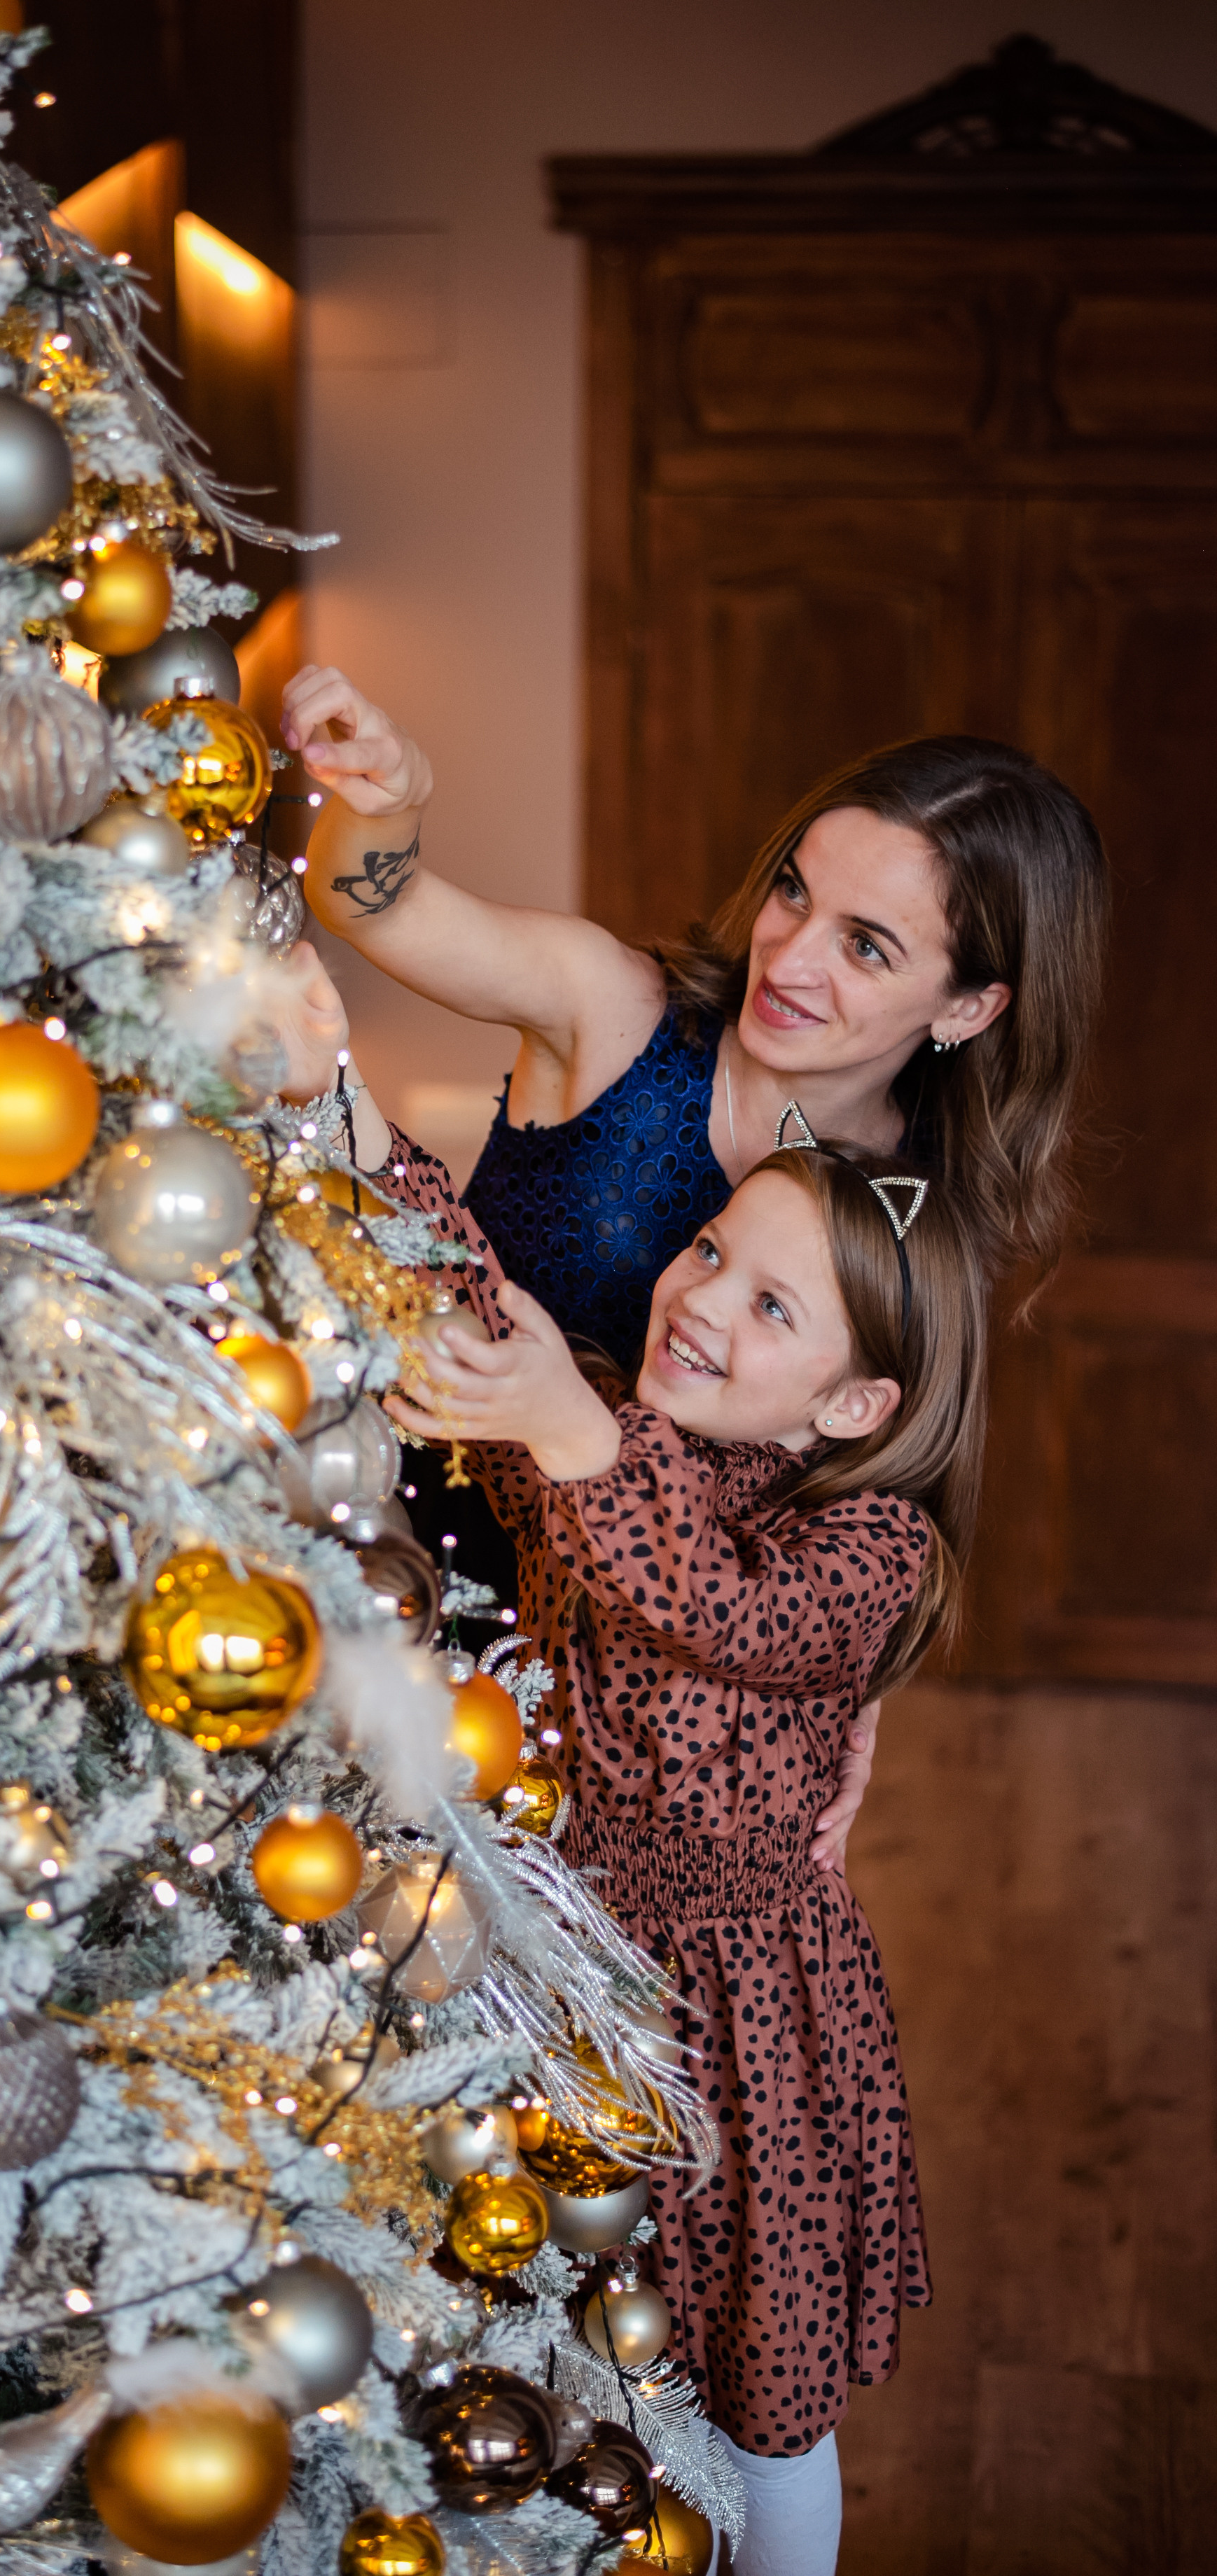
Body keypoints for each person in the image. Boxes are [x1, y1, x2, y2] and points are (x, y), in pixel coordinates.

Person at [279, 666, 1109, 1867]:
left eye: (867, 947)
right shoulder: (611, 1009)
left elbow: (870, 1487)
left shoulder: (912, 1219)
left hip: (608, 1705)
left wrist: (843, 1692)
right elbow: (375, 904)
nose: (792, 957)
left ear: (970, 1008)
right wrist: (388, 802)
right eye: (794, 894)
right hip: (371, 1550)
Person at [375, 1102, 989, 2576]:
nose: (699, 1295)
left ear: (854, 1404)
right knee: (574, 2339)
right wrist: (352, 1118)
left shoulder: (865, 1550)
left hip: (743, 2020)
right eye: (709, 1249)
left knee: (756, 2390)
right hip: (566, 1965)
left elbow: (713, 1602)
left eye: (768, 1302)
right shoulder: (616, 1441)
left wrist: (571, 1428)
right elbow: (484, 1313)